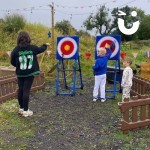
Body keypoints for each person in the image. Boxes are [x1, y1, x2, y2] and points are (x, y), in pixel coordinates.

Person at [11, 31, 49, 117]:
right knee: (26, 91)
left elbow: (12, 62)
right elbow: (41, 49)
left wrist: (19, 66)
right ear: (28, 38)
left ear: (18, 39)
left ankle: (21, 108)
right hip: (30, 74)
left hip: (20, 73)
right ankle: (26, 110)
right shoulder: (33, 48)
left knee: (20, 90)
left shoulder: (15, 50)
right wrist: (45, 45)